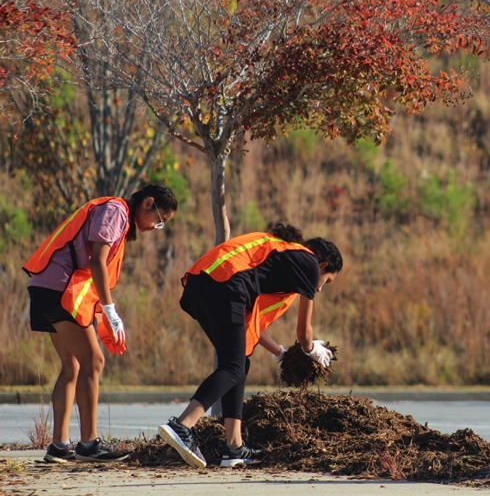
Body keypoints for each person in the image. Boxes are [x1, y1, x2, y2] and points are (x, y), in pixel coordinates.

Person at [158, 223, 342, 469]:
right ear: (323, 266)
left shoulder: (279, 258)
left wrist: (280, 352)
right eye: (327, 281)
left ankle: (234, 447)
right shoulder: (308, 263)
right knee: (233, 367)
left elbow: (251, 323)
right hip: (224, 285)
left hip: (200, 286)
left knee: (238, 362)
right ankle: (183, 425)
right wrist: (311, 350)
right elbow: (303, 332)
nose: (319, 288)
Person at [23, 184, 179, 463]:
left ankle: (59, 446)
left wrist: (104, 315)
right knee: (94, 361)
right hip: (61, 290)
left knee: (72, 366)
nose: (156, 227)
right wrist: (110, 310)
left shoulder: (118, 214)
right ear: (148, 204)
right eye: (159, 220)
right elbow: (97, 262)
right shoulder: (117, 210)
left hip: (45, 289)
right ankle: (88, 445)